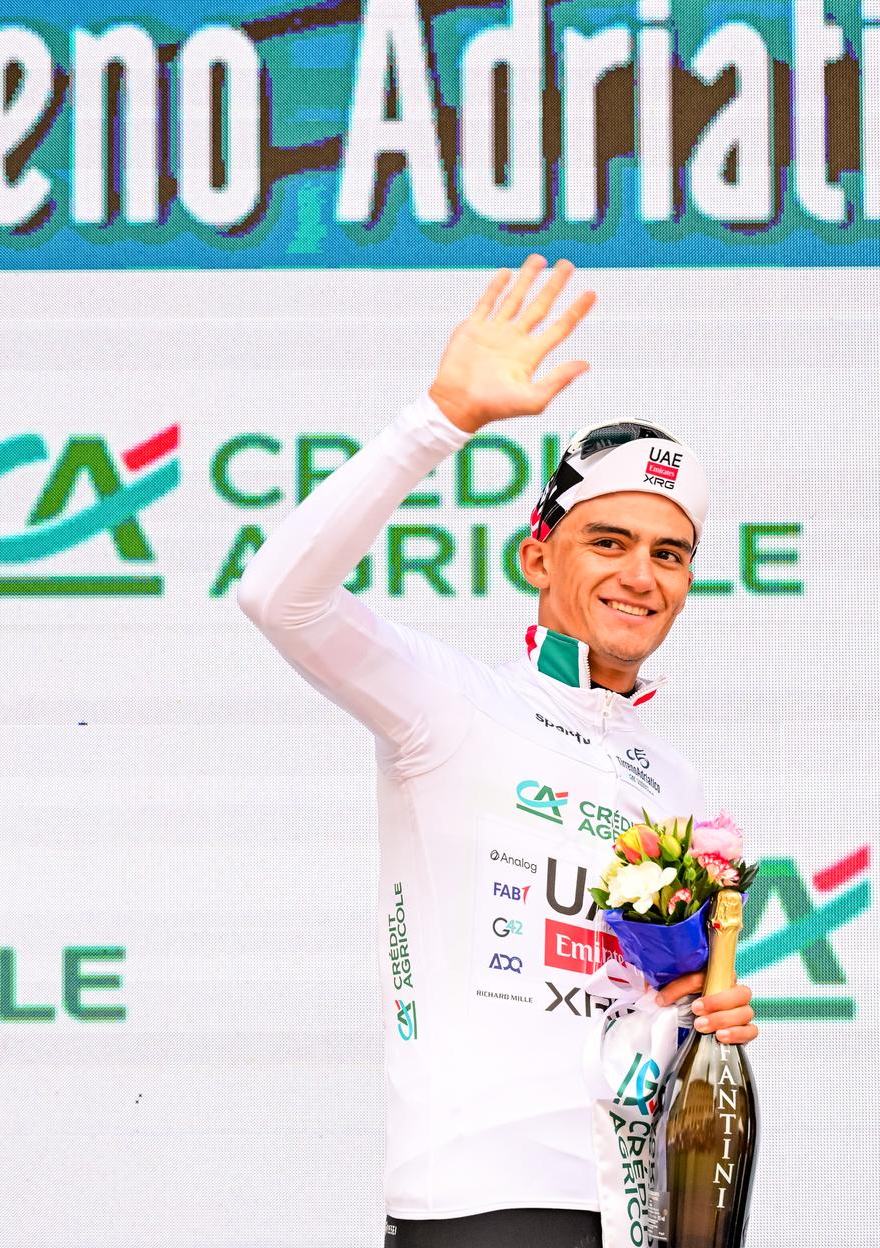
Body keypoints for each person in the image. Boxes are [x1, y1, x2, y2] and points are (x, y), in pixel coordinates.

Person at [235, 256, 757, 1248]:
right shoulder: (450, 705)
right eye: (608, 541)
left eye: (669, 552)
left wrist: (699, 1014)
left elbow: (641, 1005)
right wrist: (437, 419)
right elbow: (279, 596)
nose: (640, 574)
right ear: (536, 555)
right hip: (480, 1202)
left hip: (637, 1208)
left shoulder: (675, 780)